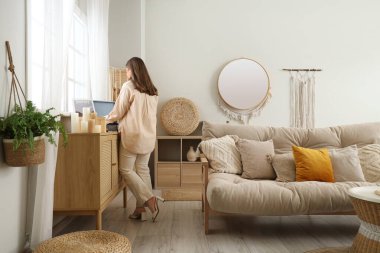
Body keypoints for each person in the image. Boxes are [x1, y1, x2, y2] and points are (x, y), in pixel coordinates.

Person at [106, 57, 163, 222]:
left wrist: (105, 119)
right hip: (149, 136)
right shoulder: (153, 90)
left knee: (126, 170)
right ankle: (140, 210)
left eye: (127, 70)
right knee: (143, 169)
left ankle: (149, 198)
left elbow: (118, 111)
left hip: (133, 136)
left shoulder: (128, 86)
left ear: (132, 70)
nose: (126, 73)